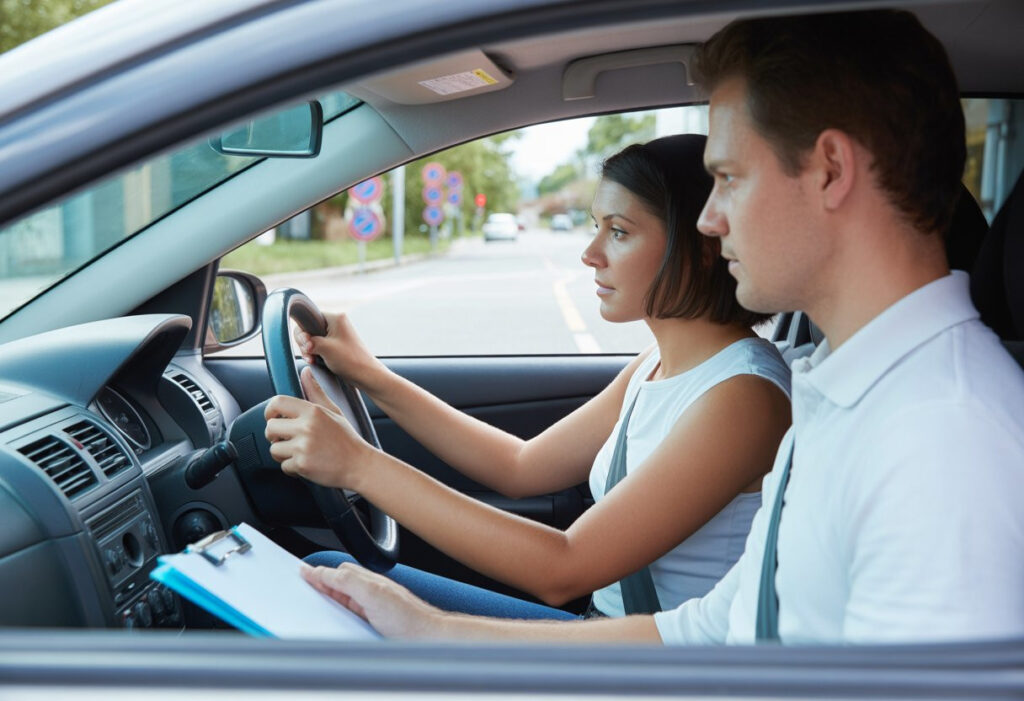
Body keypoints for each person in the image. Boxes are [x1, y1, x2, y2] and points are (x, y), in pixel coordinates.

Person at [297, 9, 1024, 645]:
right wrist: (433, 631)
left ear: (830, 169)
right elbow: (717, 629)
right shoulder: (845, 393)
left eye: (730, 177)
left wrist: (361, 467)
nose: (712, 219)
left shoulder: (944, 435)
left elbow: (586, 574)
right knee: (346, 594)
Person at [265, 134, 792, 620]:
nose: (590, 255)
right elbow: (520, 467)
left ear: (700, 250)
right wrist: (371, 375)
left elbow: (563, 569)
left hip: (652, 670)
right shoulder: (655, 364)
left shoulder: (742, 397)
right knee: (326, 575)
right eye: (596, 227)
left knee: (324, 584)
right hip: (602, 634)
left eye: (620, 232)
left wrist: (357, 466)